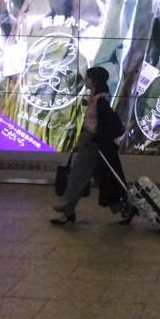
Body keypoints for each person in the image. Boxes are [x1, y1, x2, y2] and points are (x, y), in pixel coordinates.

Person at [51, 66, 132, 225]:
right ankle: (126, 208)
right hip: (91, 142)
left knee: (77, 177)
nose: (85, 80)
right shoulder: (95, 98)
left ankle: (66, 211)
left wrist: (93, 139)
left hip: (93, 143)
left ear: (94, 81)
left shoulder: (100, 100)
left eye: (88, 77)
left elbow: (102, 124)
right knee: (105, 179)